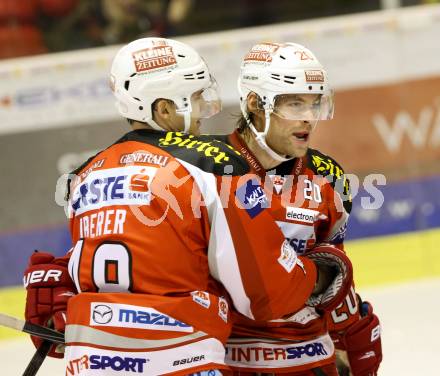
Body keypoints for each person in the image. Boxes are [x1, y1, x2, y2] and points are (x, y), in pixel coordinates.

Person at [22, 37, 353, 375]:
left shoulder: (84, 175)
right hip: (183, 360)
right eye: (195, 99)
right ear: (164, 109)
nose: (203, 113)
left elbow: (118, 259)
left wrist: (59, 281)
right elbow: (267, 293)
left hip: (92, 363)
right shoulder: (211, 165)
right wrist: (324, 273)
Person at [216, 42, 383, 375]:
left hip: (305, 357)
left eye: (315, 102)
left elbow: (334, 276)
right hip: (227, 358)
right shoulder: (206, 168)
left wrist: (347, 339)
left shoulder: (328, 175)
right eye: (295, 103)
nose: (309, 116)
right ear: (254, 104)